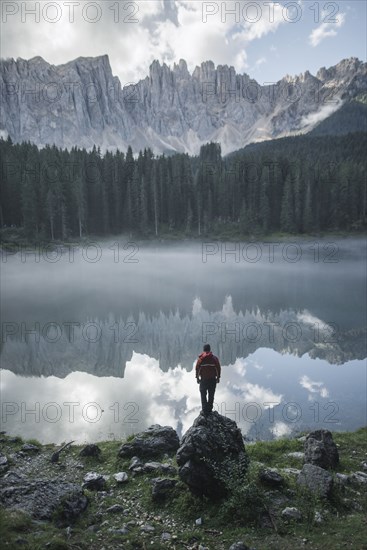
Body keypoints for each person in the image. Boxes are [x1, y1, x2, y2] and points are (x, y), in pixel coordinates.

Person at [195, 344, 221, 415]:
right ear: (210, 350)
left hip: (203, 380)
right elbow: (218, 369)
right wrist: (218, 378)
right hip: (212, 380)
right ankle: (209, 410)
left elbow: (197, 369)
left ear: (203, 350)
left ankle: (204, 410)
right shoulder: (215, 358)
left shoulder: (200, 359)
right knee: (211, 394)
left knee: (203, 394)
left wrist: (197, 378)